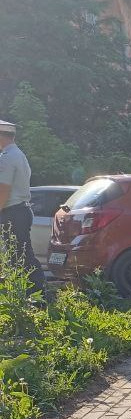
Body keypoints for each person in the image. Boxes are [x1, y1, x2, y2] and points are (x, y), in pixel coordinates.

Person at [0, 120, 47, 300]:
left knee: (21, 256)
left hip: (12, 212)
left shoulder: (6, 158)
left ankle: (39, 297)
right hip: (20, 211)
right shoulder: (19, 155)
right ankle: (28, 296)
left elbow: (3, 189)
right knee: (18, 256)